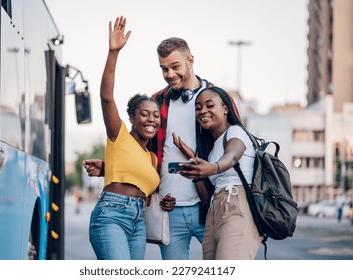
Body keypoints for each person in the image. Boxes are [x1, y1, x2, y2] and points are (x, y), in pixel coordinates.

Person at [84, 36, 241, 259]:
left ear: (190, 60)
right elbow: (137, 148)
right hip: (169, 209)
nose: (169, 74)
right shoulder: (157, 101)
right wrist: (109, 167)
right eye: (163, 68)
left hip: (209, 204)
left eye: (175, 66)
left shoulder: (217, 98)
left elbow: (236, 141)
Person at [85, 16, 162, 260]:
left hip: (138, 222)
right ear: (132, 118)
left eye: (156, 115)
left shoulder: (152, 159)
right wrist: (113, 52)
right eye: (145, 114)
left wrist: (166, 201)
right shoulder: (118, 135)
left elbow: (140, 184)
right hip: (111, 215)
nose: (151, 119)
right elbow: (106, 97)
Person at [173, 86, 262, 260]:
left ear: (225, 109)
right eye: (198, 108)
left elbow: (232, 155)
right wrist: (194, 167)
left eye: (209, 105)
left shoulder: (236, 132)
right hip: (214, 212)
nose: (202, 111)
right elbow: (207, 199)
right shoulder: (213, 149)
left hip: (237, 206)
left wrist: (213, 167)